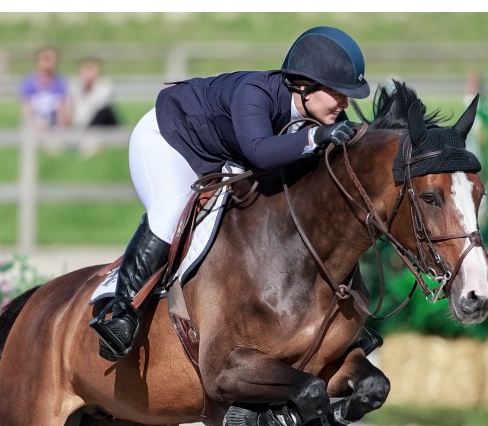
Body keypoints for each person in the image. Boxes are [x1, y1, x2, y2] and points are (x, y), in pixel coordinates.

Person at [89, 25, 370, 362]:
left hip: (221, 156)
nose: (344, 102)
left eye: (347, 95)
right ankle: (121, 311)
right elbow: (260, 153)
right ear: (305, 86)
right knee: (170, 212)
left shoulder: (315, 111)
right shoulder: (254, 93)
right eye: (338, 93)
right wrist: (317, 138)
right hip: (168, 140)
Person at [19, 47, 71, 130]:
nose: (47, 63)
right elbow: (26, 108)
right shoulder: (29, 83)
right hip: (35, 124)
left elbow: (64, 109)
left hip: (55, 125)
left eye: (50, 59)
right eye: (45, 59)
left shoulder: (61, 83)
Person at [69, 57, 120, 128]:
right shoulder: (72, 86)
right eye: (87, 69)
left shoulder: (104, 87)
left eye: (92, 70)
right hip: (77, 127)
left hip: (94, 125)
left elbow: (98, 109)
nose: (89, 74)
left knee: (106, 111)